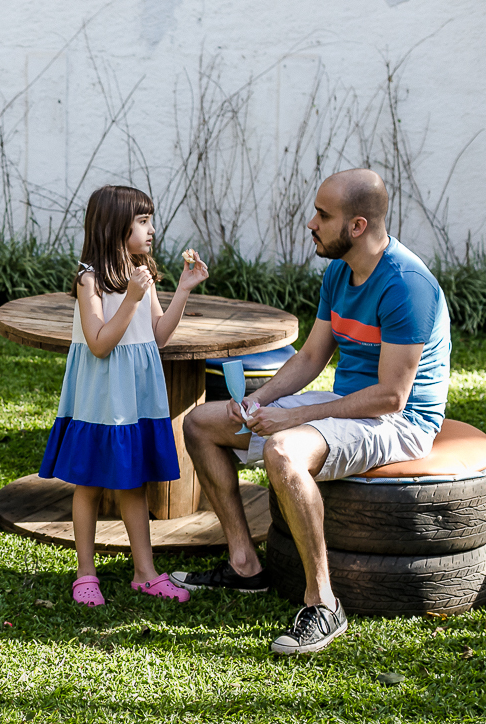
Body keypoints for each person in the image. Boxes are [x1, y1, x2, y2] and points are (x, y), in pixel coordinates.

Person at [171, 168, 451, 655]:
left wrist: (293, 418)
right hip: (351, 407)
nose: (311, 223)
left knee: (283, 450)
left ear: (357, 226)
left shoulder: (407, 286)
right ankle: (244, 565)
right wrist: (258, 401)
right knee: (202, 423)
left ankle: (323, 603)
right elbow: (309, 358)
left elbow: (391, 397)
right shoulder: (339, 272)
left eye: (323, 215)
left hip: (400, 422)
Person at [39, 185, 209, 607]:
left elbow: (158, 335)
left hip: (135, 398)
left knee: (134, 482)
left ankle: (145, 573)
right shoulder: (90, 280)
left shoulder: (140, 272)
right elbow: (99, 343)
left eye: (150, 221)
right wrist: (131, 298)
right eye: (143, 221)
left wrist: (183, 290)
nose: (151, 230)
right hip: (100, 399)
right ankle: (85, 574)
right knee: (89, 483)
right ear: (116, 226)